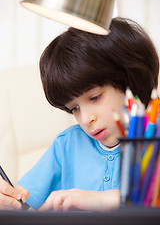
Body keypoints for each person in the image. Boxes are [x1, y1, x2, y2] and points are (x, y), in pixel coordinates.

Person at [0, 17, 159, 212]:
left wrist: (100, 200)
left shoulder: (154, 138)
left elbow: (151, 199)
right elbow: (22, 202)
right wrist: (8, 200)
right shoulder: (67, 145)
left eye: (95, 97)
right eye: (74, 108)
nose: (86, 119)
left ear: (129, 82)